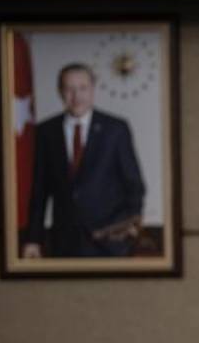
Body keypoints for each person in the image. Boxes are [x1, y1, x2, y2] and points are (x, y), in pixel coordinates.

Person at [22, 63, 145, 258]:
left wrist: (127, 230)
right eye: (69, 89)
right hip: (64, 242)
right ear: (60, 92)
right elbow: (39, 191)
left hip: (111, 244)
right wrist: (33, 239)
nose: (76, 96)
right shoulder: (46, 131)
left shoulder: (116, 129)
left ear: (93, 89)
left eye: (83, 88)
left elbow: (134, 185)